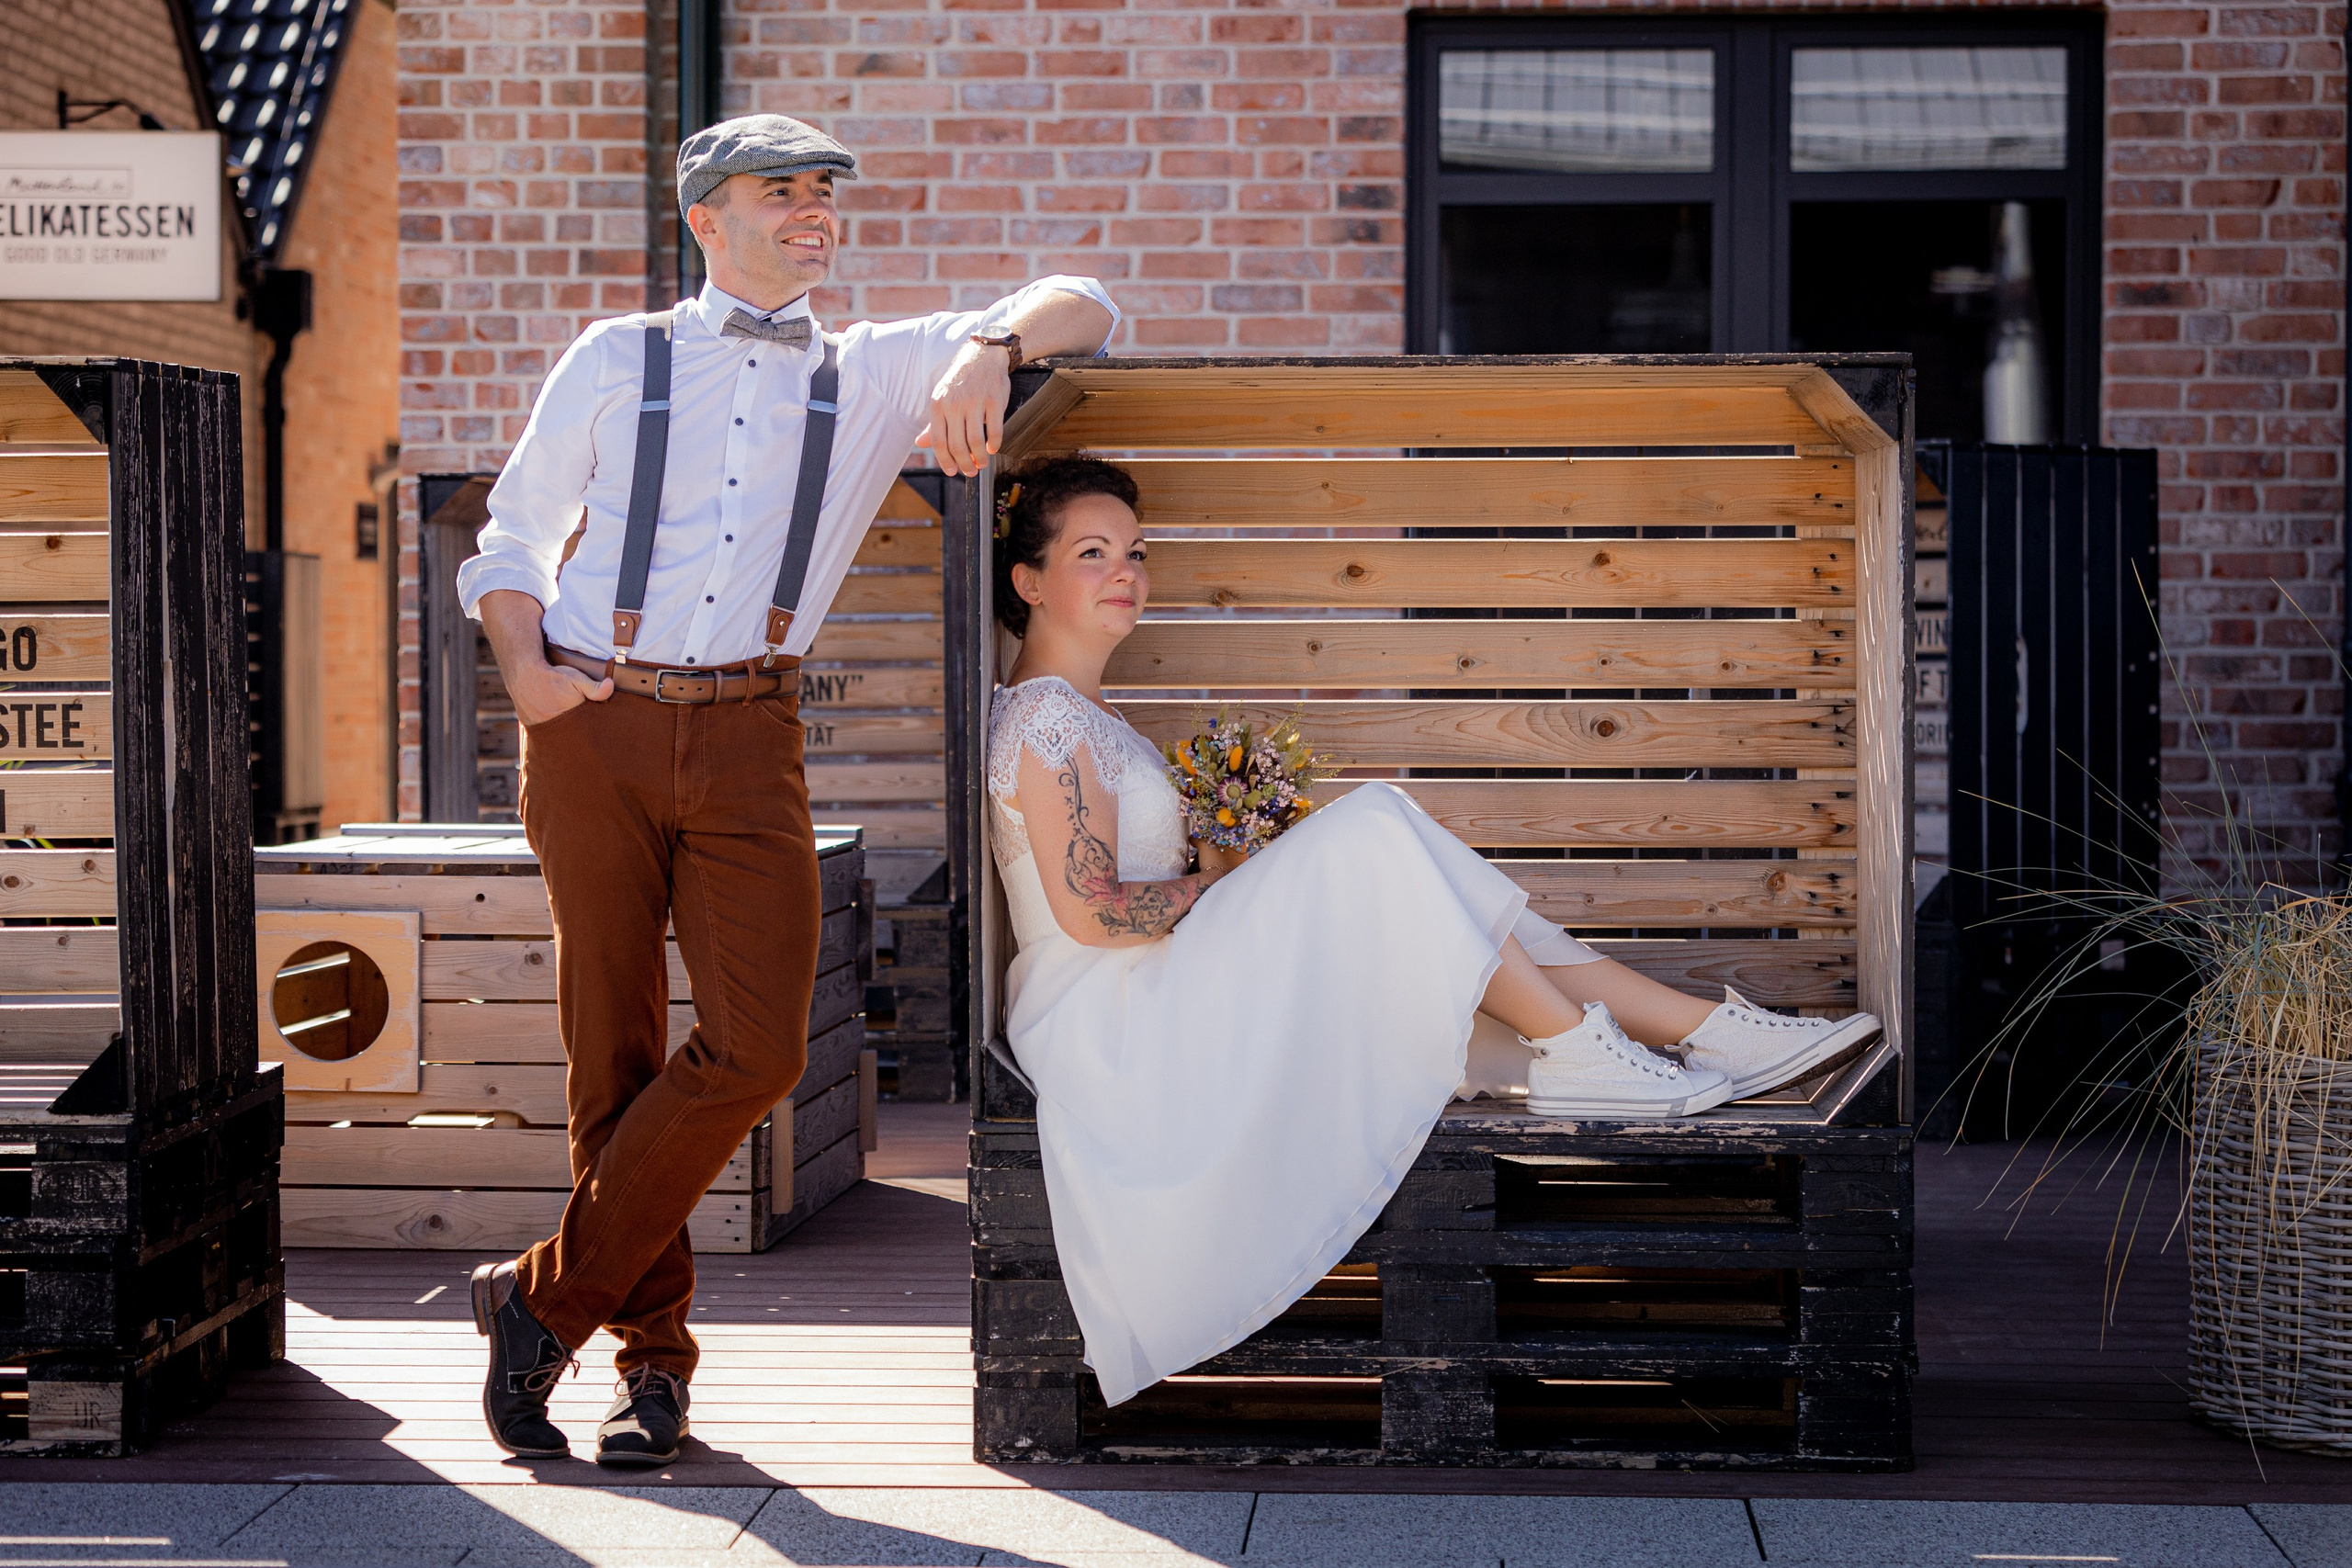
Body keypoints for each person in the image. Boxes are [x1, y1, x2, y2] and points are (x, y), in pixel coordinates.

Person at [454, 114, 1117, 1465]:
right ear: (707, 219)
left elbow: (1088, 302)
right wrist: (524, 668)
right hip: (590, 720)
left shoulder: (874, 367)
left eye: (824, 191)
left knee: (759, 1047)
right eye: (781, 191)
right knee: (612, 1051)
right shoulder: (617, 356)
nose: (814, 210)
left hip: (750, 729)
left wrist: (990, 347)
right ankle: (651, 1373)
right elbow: (514, 528)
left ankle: (540, 1301)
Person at [984, 455, 1883, 1407]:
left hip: (1155, 982)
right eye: (1092, 553)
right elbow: (1092, 911)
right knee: (1377, 830)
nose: (1125, 571)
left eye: (1135, 551)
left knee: (1421, 881)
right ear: (1029, 581)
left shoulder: (1084, 712)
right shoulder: (1046, 717)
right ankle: (1630, 1039)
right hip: (1119, 1021)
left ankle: (1683, 1033)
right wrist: (1218, 885)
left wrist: (1226, 867)